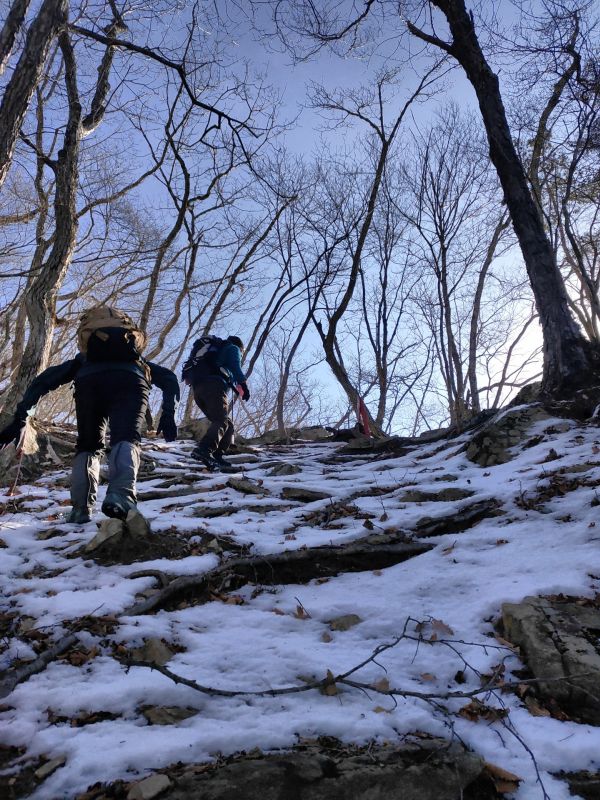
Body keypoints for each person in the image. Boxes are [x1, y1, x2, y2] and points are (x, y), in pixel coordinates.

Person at [0, 306, 180, 524]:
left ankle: (81, 509)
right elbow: (169, 379)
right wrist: (169, 413)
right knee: (126, 436)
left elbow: (45, 380)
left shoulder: (84, 359)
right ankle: (121, 496)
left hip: (88, 381)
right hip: (131, 381)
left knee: (88, 445)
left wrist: (22, 416)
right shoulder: (136, 361)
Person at [182, 335, 249, 470]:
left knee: (228, 425)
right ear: (241, 348)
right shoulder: (233, 347)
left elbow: (223, 369)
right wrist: (243, 384)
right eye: (242, 353)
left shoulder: (216, 353)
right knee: (222, 421)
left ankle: (217, 456)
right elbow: (235, 366)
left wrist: (234, 386)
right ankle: (204, 449)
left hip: (199, 390)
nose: (241, 354)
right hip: (213, 386)